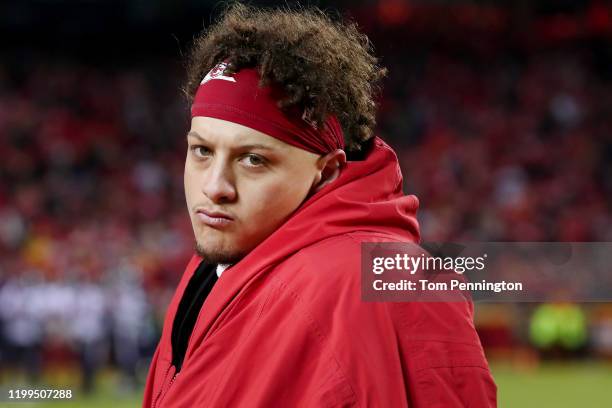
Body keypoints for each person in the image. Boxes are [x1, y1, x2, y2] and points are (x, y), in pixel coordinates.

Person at [143, 3, 497, 407]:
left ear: (327, 171)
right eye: (202, 151)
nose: (215, 186)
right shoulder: (222, 261)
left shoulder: (366, 281)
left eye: (253, 160)